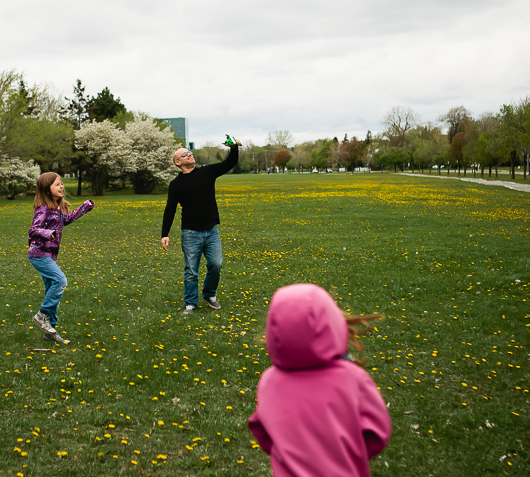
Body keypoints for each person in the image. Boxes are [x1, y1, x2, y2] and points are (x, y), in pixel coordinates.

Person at [248, 283, 391, 477]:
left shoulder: (268, 381)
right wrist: (350, 453)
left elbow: (262, 431)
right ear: (332, 321)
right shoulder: (353, 378)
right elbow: (377, 432)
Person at [160, 139, 240, 314]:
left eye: (189, 152)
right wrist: (164, 233)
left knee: (216, 264)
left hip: (211, 231)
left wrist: (234, 148)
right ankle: (190, 303)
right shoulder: (176, 184)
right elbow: (170, 209)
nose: (190, 154)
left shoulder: (207, 172)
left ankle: (209, 294)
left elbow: (230, 162)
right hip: (190, 233)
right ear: (178, 162)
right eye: (185, 154)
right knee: (191, 271)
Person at [28, 172, 94, 345]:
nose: (62, 186)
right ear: (47, 190)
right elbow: (33, 230)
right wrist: (49, 234)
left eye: (61, 183)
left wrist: (84, 207)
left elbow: (67, 219)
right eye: (57, 184)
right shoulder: (43, 209)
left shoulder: (57, 208)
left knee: (53, 290)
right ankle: (42, 315)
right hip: (39, 253)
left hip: (48, 255)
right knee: (60, 281)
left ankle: (50, 331)